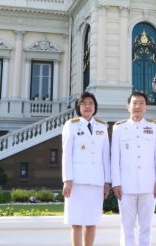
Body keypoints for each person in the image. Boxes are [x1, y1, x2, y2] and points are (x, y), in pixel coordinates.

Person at [111, 91, 156, 246]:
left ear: (146, 107)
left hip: (149, 185)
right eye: (134, 103)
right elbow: (115, 158)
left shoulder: (154, 127)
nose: (138, 106)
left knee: (146, 228)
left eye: (141, 103)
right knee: (127, 228)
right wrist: (116, 182)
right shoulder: (119, 128)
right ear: (128, 107)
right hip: (126, 186)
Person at [62, 92, 111, 246]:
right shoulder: (71, 125)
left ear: (95, 106)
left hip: (96, 181)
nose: (87, 106)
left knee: (92, 221)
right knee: (76, 222)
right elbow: (66, 155)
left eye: (91, 103)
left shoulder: (102, 126)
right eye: (84, 103)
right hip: (77, 181)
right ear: (78, 107)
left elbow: (105, 157)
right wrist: (67, 180)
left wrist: (107, 181)